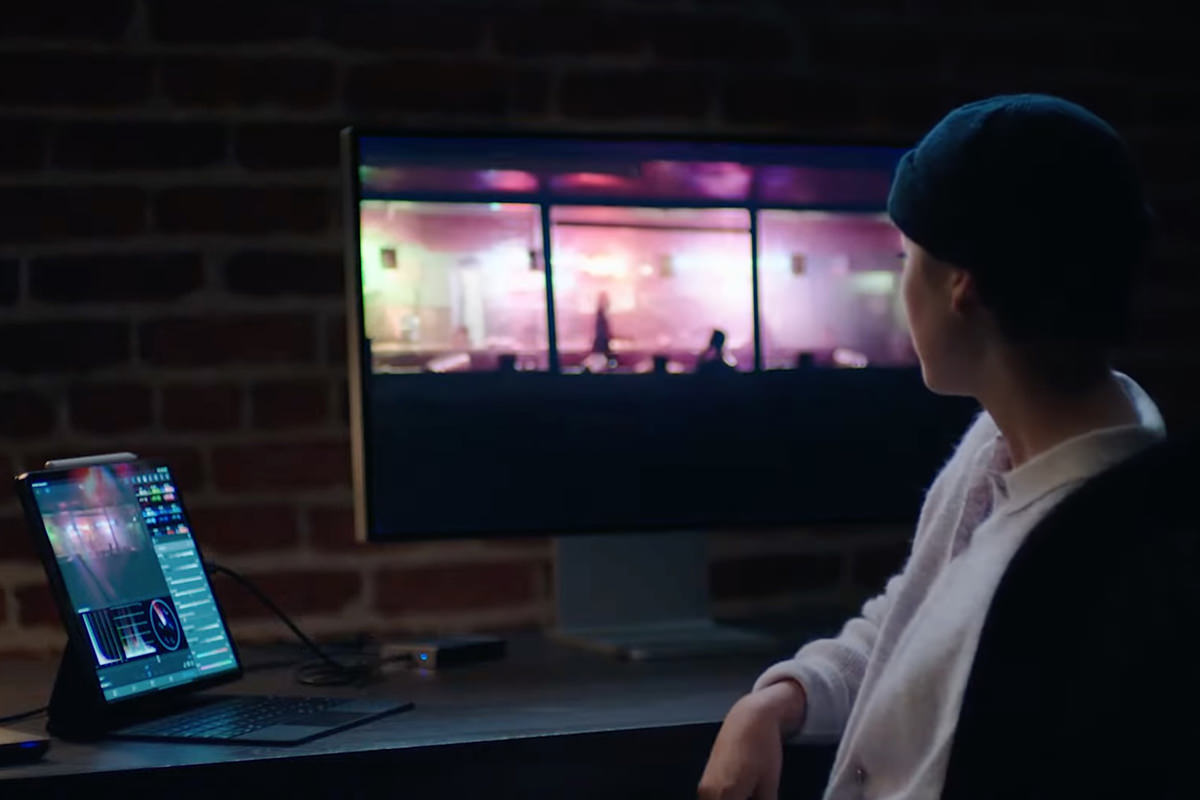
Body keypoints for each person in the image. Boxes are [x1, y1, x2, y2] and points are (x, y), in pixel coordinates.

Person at [698, 94, 1160, 800]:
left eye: (905, 257)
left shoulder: (1097, 553)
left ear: (961, 289)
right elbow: (912, 621)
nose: (897, 285)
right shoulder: (1002, 444)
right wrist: (782, 699)